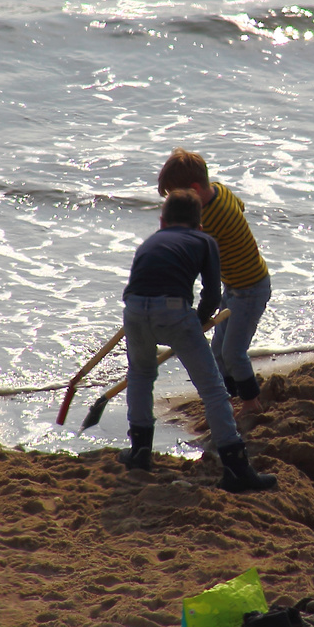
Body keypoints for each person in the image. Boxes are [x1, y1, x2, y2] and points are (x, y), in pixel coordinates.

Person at [120, 189, 276, 493]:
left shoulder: (150, 241)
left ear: (162, 221)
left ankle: (139, 452)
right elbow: (211, 292)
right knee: (213, 389)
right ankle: (236, 468)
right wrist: (203, 320)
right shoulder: (205, 241)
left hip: (134, 309)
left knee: (140, 375)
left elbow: (141, 282)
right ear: (200, 225)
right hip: (174, 310)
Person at [157, 149, 271, 416]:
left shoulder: (207, 220)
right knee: (218, 350)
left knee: (233, 352)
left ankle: (252, 404)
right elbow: (240, 206)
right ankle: (231, 398)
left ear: (194, 190)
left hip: (251, 288)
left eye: (177, 196)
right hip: (236, 285)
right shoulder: (220, 191)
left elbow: (194, 256)